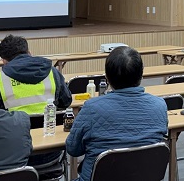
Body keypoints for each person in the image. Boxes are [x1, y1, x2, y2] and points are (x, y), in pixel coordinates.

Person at [66, 47, 168, 181]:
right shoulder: (160, 105)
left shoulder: (92, 108)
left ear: (107, 77)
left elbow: (73, 149)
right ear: (141, 75)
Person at [0, 34, 72, 112]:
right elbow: (66, 101)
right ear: (29, 52)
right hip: (49, 123)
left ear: (4, 61)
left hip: (15, 124)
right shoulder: (52, 71)